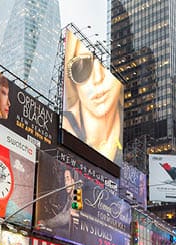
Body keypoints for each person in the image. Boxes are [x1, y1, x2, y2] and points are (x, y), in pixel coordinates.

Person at [62, 32, 123, 165]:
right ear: (72, 81)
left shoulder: (123, 140)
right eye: (82, 67)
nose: (97, 79)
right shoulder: (66, 125)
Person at [39, 168, 76, 233]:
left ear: (73, 181)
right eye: (65, 180)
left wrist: (47, 223)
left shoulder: (77, 197)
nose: (66, 183)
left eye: (68, 179)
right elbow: (62, 214)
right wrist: (46, 222)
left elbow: (66, 218)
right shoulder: (69, 198)